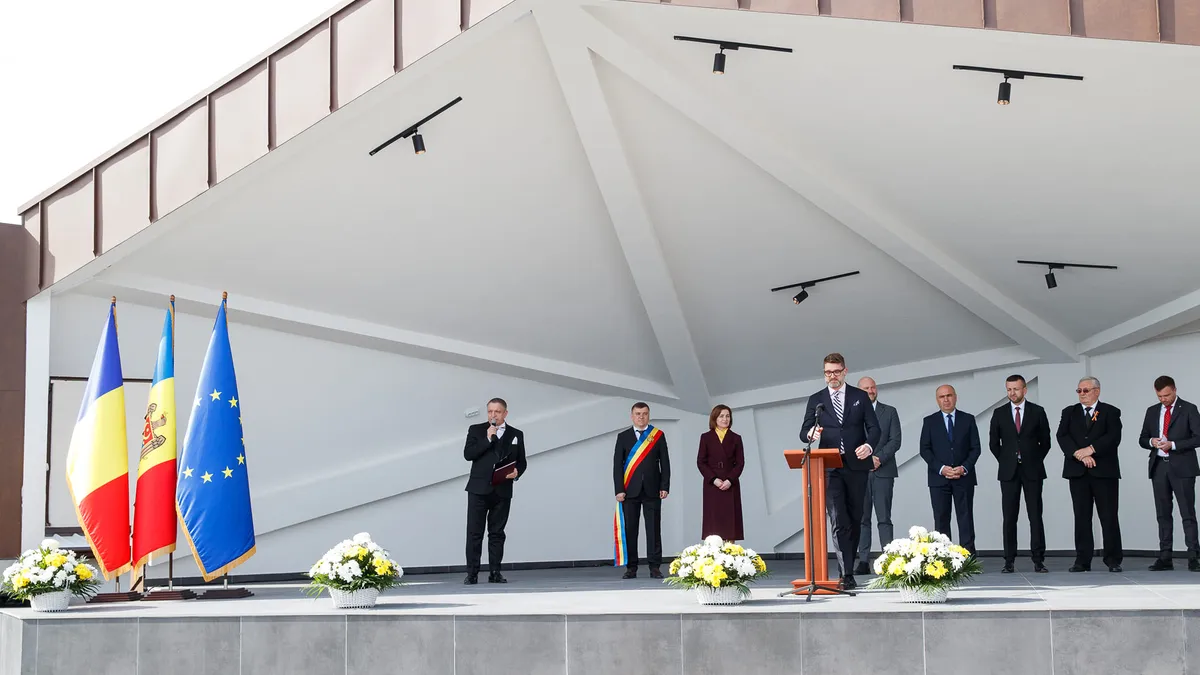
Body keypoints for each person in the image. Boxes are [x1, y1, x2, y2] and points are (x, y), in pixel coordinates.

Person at [800, 353, 880, 590]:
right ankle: (846, 573)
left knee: (855, 517)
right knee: (838, 518)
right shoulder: (817, 399)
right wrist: (810, 435)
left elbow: (874, 428)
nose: (832, 376)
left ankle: (849, 562)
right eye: (827, 372)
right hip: (830, 466)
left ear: (845, 371)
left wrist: (868, 445)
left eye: (836, 372)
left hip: (856, 464)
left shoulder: (860, 396)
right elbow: (804, 429)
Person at [1056, 376, 1123, 573]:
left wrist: (1091, 449)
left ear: (1097, 391)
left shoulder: (1110, 411)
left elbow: (1113, 437)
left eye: (1086, 390)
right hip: (1078, 472)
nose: (1082, 394)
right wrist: (1080, 454)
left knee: (1108, 516)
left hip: (1104, 472)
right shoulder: (1069, 412)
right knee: (1081, 516)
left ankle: (1113, 559)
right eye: (1079, 391)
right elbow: (1062, 436)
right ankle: (1082, 560)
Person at [988, 374, 1052, 573]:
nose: (1012, 393)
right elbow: (993, 444)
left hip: (1032, 470)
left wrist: (1032, 459)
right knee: (1009, 517)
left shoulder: (1037, 411)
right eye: (1008, 389)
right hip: (1008, 472)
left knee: (1035, 515)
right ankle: (1009, 560)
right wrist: (1007, 460)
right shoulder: (999, 413)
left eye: (1015, 389)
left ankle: (1038, 559)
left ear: (1024, 390)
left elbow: (1046, 442)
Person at [1137, 375, 1200, 571]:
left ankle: (1194, 557)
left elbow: (1198, 437)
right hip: (1159, 467)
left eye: (1166, 395)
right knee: (1163, 514)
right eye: (1159, 396)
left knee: (1187, 513)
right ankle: (1165, 557)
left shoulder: (1189, 409)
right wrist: (1151, 442)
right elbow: (1142, 438)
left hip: (1182, 467)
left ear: (1174, 389)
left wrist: (1173, 444)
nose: (1163, 399)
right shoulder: (1152, 411)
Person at [462, 398, 527, 584]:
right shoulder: (476, 430)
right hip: (478, 489)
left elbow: (522, 461)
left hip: (502, 490)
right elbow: (468, 455)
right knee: (474, 532)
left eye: (497, 412)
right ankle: (472, 573)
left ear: (505, 413)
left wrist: (517, 472)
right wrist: (487, 439)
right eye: (490, 411)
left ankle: (495, 572)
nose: (493, 415)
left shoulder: (516, 434)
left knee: (497, 533)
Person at [919, 384, 980, 555]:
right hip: (939, 479)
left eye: (949, 395)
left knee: (966, 518)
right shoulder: (929, 421)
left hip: (964, 477)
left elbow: (976, 448)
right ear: (937, 400)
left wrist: (964, 468)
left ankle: (968, 556)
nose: (946, 399)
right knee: (941, 519)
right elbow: (925, 449)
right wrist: (941, 469)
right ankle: (943, 557)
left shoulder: (968, 419)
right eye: (942, 396)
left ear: (955, 397)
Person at [613, 402, 670, 579]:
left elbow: (665, 463)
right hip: (629, 491)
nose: (641, 417)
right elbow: (617, 466)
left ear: (649, 415)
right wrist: (619, 489)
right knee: (631, 530)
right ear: (632, 416)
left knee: (654, 529)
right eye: (638, 414)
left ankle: (655, 567)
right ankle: (631, 568)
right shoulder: (623, 437)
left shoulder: (657, 435)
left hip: (653, 490)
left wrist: (664, 486)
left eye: (644, 414)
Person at [854, 377, 901, 577]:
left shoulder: (889, 411)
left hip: (883, 470)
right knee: (862, 519)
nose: (870, 390)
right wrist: (865, 461)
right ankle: (863, 560)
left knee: (884, 518)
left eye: (873, 387)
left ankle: (888, 559)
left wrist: (878, 458)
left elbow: (895, 440)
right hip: (859, 473)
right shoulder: (852, 413)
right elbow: (849, 442)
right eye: (866, 388)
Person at [697, 405, 744, 541]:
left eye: (727, 416)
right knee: (714, 524)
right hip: (712, 485)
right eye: (721, 416)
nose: (725, 419)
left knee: (730, 524)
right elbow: (701, 462)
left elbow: (740, 463)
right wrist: (714, 479)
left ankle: (731, 554)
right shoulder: (706, 437)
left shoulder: (736, 438)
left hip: (731, 484)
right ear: (715, 418)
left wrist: (730, 480)